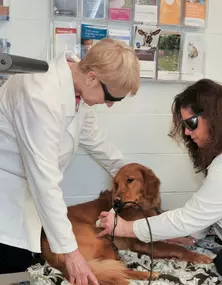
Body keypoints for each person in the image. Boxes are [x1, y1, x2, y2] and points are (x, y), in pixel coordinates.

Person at [97, 78, 222, 285]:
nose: (187, 132)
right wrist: (195, 235)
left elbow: (190, 217)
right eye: (184, 125)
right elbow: (216, 201)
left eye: (191, 123)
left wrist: (125, 228)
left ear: (214, 117)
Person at [0, 38, 140, 285]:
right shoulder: (39, 96)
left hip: (28, 196)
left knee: (26, 260)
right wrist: (71, 254)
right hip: (6, 196)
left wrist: (130, 175)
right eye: (111, 98)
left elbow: (95, 139)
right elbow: (45, 181)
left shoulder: (77, 85)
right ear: (92, 78)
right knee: (11, 267)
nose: (108, 105)